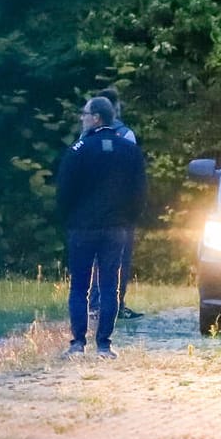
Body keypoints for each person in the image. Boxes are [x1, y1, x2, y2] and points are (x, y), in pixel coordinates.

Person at [58, 96, 147, 359]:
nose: (82, 118)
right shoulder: (130, 150)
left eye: (85, 113)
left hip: (82, 227)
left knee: (79, 286)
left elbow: (64, 191)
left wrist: (70, 218)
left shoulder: (79, 149)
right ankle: (104, 345)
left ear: (96, 118)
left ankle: (77, 343)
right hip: (116, 227)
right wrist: (128, 219)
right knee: (110, 286)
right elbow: (139, 192)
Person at [89, 87, 143, 320]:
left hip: (91, 206)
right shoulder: (126, 135)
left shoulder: (87, 136)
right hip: (119, 207)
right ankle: (115, 304)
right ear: (116, 108)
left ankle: (93, 304)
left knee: (94, 256)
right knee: (119, 257)